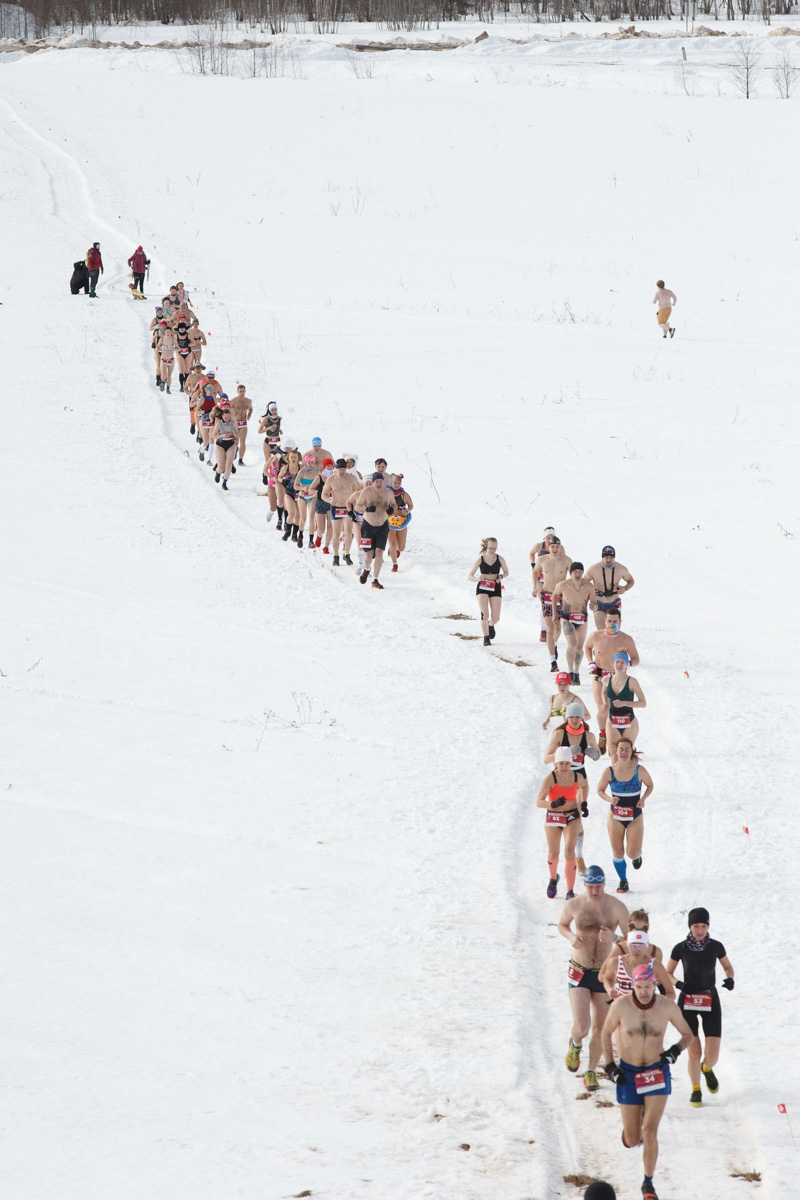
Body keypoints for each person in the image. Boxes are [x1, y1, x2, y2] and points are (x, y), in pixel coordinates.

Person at [602, 963, 694, 1200]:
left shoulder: (667, 1006)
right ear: (633, 985)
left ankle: (648, 1184)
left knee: (650, 1132)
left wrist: (675, 1050)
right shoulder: (621, 1006)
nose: (643, 992)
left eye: (648, 987)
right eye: (639, 987)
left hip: (656, 1072)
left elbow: (688, 1034)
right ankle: (632, 1128)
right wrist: (610, 1066)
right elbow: (605, 1032)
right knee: (633, 1139)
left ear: (655, 985)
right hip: (629, 1074)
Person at [559, 867, 629, 1092]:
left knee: (600, 1028)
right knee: (582, 1026)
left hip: (604, 973)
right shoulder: (575, 904)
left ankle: (590, 1071)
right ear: (585, 885)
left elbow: (634, 939)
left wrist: (614, 937)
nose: (594, 891)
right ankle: (575, 1043)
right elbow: (562, 925)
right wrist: (571, 937)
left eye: (598, 887)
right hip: (579, 969)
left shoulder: (616, 907)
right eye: (590, 887)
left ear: (604, 884)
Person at [665, 908, 734, 1109]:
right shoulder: (680, 948)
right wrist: (679, 985)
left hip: (710, 999)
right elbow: (668, 972)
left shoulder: (716, 946)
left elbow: (728, 966)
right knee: (694, 1053)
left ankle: (707, 1068)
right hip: (688, 1000)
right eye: (696, 926)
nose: (700, 930)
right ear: (690, 926)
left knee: (712, 1056)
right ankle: (696, 1089)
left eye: (704, 926)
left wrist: (730, 979)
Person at [597, 738, 653, 893]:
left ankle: (637, 856)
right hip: (615, 816)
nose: (624, 752)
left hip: (635, 815)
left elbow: (650, 785)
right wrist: (609, 799)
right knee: (618, 852)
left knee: (632, 852)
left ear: (632, 750)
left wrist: (643, 799)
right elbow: (600, 790)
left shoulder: (639, 770)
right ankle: (623, 881)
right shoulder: (609, 771)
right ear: (616, 751)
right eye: (621, 749)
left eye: (627, 749)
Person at [535, 749, 588, 901]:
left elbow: (584, 786)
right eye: (561, 764)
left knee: (569, 850)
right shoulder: (550, 778)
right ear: (556, 763)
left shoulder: (577, 776)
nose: (564, 767)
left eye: (567, 763)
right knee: (553, 852)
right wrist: (552, 804)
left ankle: (570, 891)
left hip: (572, 816)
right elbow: (539, 801)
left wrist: (584, 803)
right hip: (554, 817)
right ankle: (553, 878)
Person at [584, 609, 640, 751]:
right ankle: (603, 734)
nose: (612, 624)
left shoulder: (626, 639)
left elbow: (636, 659)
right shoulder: (596, 636)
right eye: (609, 621)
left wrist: (629, 663)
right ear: (605, 621)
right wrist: (590, 661)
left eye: (615, 621)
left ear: (620, 622)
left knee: (616, 710)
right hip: (600, 676)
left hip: (618, 679)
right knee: (603, 708)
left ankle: (615, 740)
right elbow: (587, 647)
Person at [599, 928, 674, 1001]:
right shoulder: (616, 962)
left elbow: (671, 993)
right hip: (623, 1006)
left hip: (646, 1008)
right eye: (633, 946)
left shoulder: (655, 965)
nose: (637, 950)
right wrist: (609, 989)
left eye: (641, 947)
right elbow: (607, 979)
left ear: (647, 946)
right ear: (627, 945)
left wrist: (659, 1004)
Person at [551, 561, 595, 683]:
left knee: (579, 648)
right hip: (567, 617)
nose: (578, 574)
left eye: (580, 572)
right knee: (572, 644)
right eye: (575, 572)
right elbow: (554, 595)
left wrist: (593, 606)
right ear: (571, 573)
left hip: (582, 618)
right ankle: (570, 671)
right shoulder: (563, 585)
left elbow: (594, 602)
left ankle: (576, 672)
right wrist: (555, 613)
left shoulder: (588, 586)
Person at [533, 535, 570, 671]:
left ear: (560, 547)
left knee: (558, 627)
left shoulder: (567, 560)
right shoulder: (542, 559)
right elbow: (535, 571)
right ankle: (553, 660)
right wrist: (535, 586)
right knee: (550, 627)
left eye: (557, 547)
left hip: (561, 596)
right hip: (547, 595)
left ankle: (554, 643)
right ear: (548, 547)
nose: (554, 549)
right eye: (552, 546)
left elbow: (574, 576)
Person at [604, 652, 646, 763]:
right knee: (614, 755)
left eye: (623, 662)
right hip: (612, 720)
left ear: (627, 665)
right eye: (617, 662)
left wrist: (624, 703)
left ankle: (630, 773)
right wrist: (604, 703)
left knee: (626, 754)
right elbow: (603, 692)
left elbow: (643, 703)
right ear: (613, 663)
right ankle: (615, 774)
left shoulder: (632, 681)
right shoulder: (606, 679)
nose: (619, 665)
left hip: (629, 721)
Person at [467, 538, 509, 646]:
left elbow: (506, 572)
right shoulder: (480, 559)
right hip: (483, 587)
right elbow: (470, 576)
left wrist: (501, 576)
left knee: (495, 618)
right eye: (490, 548)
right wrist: (478, 579)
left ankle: (490, 625)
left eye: (495, 548)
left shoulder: (500, 559)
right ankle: (486, 637)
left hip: (495, 587)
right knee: (485, 614)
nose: (492, 550)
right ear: (486, 547)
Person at [358, 473, 397, 589]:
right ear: (373, 482)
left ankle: (375, 580)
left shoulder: (388, 492)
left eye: (381, 481)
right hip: (368, 525)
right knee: (369, 554)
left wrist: (392, 509)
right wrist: (366, 509)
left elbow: (394, 504)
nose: (379, 484)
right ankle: (367, 569)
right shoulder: (366, 492)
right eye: (376, 482)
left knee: (379, 552)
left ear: (383, 482)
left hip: (382, 525)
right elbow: (357, 506)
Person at [584, 547, 636, 631]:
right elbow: (584, 584)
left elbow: (631, 581)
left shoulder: (621, 568)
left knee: (614, 632)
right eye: (606, 557)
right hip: (599, 604)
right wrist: (591, 592)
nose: (609, 560)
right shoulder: (593, 569)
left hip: (614, 603)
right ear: (602, 557)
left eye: (611, 557)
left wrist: (625, 588)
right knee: (602, 632)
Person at [322, 459, 361, 566]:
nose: (342, 472)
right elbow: (323, 494)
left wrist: (355, 500)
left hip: (348, 507)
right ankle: (336, 555)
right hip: (336, 507)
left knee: (348, 531)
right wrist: (330, 501)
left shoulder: (351, 478)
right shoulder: (331, 479)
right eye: (340, 469)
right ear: (337, 469)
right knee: (336, 532)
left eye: (344, 469)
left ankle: (346, 554)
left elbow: (359, 491)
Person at [529, 527, 562, 643]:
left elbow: (563, 560)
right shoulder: (539, 546)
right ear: (544, 538)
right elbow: (531, 553)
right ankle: (544, 629)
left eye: (552, 537)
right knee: (544, 602)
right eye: (548, 538)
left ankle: (553, 626)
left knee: (554, 603)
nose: (549, 540)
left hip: (553, 580)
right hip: (541, 579)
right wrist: (533, 564)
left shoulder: (559, 547)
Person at [387, 474, 413, 572]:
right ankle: (395, 564)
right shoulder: (386, 493)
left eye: (398, 483)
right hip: (389, 523)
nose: (397, 485)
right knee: (392, 544)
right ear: (391, 483)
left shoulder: (404, 494)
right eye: (395, 483)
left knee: (401, 547)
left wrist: (407, 510)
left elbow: (411, 505)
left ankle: (395, 550)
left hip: (402, 523)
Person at [212, 401, 237, 490]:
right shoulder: (219, 424)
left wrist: (235, 436)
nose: (227, 419)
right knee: (221, 467)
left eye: (228, 417)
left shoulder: (233, 423)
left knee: (229, 465)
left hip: (230, 444)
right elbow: (213, 435)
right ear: (222, 417)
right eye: (225, 417)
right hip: (220, 445)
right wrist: (222, 435)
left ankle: (224, 483)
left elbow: (237, 433)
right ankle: (218, 472)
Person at [231, 384, 252, 466]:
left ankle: (240, 460)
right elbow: (228, 412)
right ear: (237, 391)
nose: (242, 393)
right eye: (240, 391)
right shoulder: (233, 401)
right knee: (235, 441)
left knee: (243, 441)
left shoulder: (248, 401)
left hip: (243, 423)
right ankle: (234, 451)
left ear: (245, 391)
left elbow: (251, 409)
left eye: (243, 391)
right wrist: (235, 416)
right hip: (235, 423)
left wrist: (249, 415)